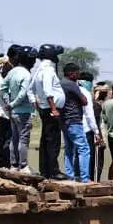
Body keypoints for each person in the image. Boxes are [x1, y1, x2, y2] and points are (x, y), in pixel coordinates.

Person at [31, 44, 66, 179]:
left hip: (45, 108)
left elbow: (31, 89)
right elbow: (47, 90)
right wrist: (53, 108)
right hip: (52, 109)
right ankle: (53, 171)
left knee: (46, 140)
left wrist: (38, 105)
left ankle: (45, 169)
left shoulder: (39, 70)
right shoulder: (48, 71)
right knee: (53, 141)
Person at [4, 47, 35, 173]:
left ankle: (14, 165)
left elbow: (3, 88)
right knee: (23, 139)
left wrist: (8, 103)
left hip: (14, 112)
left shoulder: (12, 72)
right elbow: (23, 94)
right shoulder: (26, 74)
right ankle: (23, 165)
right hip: (23, 111)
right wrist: (13, 104)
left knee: (14, 138)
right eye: (32, 60)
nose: (34, 62)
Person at [59, 63, 91, 183]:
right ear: (71, 73)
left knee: (69, 149)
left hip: (64, 121)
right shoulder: (71, 85)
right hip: (74, 120)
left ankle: (69, 175)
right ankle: (85, 178)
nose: (78, 75)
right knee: (84, 149)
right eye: (77, 73)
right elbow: (85, 101)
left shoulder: (60, 83)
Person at [76, 72, 100, 180]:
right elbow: (90, 115)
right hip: (86, 129)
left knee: (75, 155)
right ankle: (86, 179)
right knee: (87, 155)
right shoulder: (85, 93)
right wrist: (96, 131)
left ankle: (76, 177)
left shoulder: (72, 90)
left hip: (74, 128)